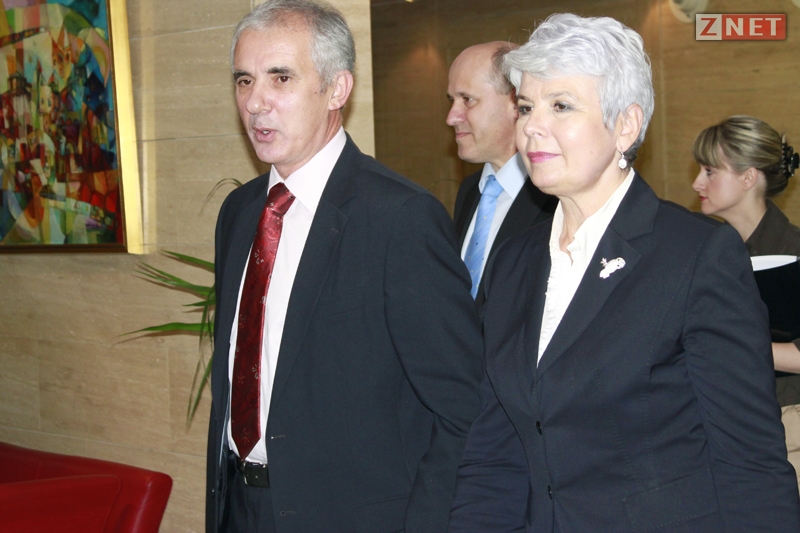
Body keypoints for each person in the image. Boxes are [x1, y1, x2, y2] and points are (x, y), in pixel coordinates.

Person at [448, 13, 800, 533]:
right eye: (525, 107)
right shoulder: (514, 261)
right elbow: (493, 452)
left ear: (626, 126)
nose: (532, 127)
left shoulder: (695, 254)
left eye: (561, 105)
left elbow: (749, 461)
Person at [206, 1, 483, 532]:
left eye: (280, 77)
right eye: (244, 80)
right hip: (240, 507)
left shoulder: (400, 218)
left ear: (337, 89)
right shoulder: (239, 213)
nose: (256, 102)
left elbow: (461, 407)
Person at [692, 114, 800, 485]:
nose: (697, 182)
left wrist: (724, 345)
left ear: (748, 178)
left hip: (788, 426)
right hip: (721, 427)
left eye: (709, 171)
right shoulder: (704, 252)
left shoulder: (794, 252)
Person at [447, 42, 555, 310]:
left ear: (516, 103)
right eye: (452, 101)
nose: (451, 117)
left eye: (467, 100)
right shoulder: (470, 190)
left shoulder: (556, 199)